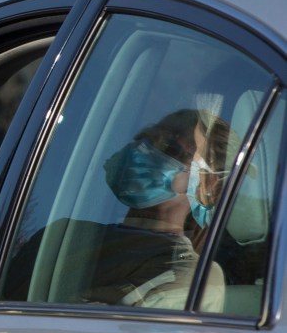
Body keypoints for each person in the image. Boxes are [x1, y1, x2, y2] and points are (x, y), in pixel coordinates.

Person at [89, 109, 231, 310]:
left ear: (207, 187)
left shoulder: (194, 275)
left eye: (170, 149)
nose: (144, 152)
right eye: (146, 140)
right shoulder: (62, 235)